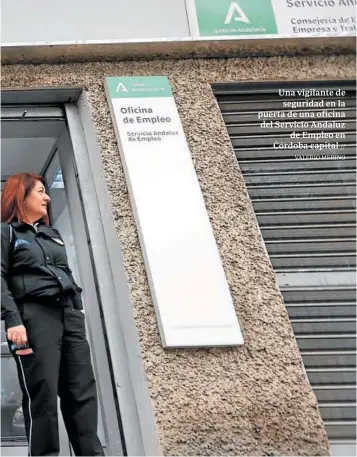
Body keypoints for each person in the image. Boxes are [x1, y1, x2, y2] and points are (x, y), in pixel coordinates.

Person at [1, 172, 104, 456]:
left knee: (81, 392)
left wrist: (76, 311)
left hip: (68, 315)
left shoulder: (52, 235)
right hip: (34, 318)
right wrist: (13, 319)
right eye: (41, 192)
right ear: (21, 196)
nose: (47, 197)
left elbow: (65, 273)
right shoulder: (6, 233)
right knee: (42, 396)